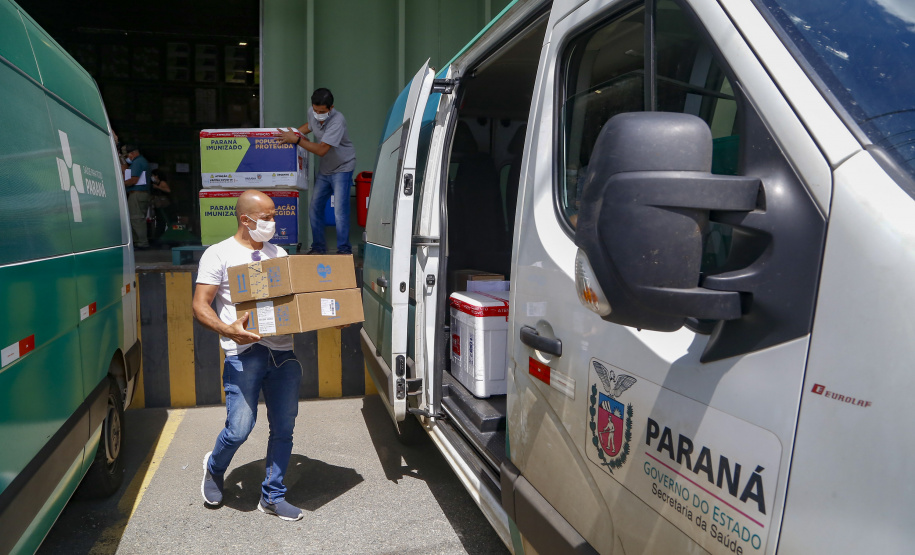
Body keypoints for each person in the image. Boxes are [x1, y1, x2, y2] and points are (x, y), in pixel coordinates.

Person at [192, 190, 304, 522]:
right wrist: (228, 330)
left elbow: (292, 303)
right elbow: (200, 305)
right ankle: (214, 467)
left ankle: (272, 496)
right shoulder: (219, 254)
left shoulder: (278, 253)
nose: (273, 222)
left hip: (282, 353)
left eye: (273, 215)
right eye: (267, 217)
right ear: (246, 219)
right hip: (243, 353)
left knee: (284, 427)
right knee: (240, 428)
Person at [276, 88, 356, 255]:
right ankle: (318, 247)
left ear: (331, 108)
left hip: (343, 167)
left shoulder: (337, 121)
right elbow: (309, 126)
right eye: (315, 110)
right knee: (315, 207)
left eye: (322, 111)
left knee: (340, 211)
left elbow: (321, 150)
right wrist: (294, 132)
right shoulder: (312, 113)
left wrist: (296, 140)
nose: (318, 113)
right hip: (325, 170)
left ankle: (344, 250)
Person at [123, 144, 150, 248]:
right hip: (139, 194)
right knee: (135, 218)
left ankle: (142, 243)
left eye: (127, 155)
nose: (127, 158)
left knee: (136, 219)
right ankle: (138, 241)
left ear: (133, 153)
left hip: (137, 194)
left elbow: (133, 180)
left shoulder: (138, 162)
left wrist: (121, 184)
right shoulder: (140, 161)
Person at [150, 168, 172, 241]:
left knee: (162, 221)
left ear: (157, 176)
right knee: (159, 221)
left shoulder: (162, 183)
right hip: (158, 205)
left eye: (153, 175)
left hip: (164, 205)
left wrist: (158, 187)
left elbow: (168, 190)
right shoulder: (155, 183)